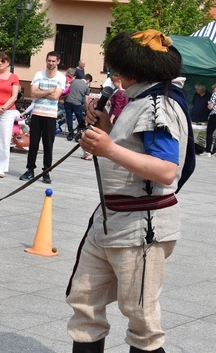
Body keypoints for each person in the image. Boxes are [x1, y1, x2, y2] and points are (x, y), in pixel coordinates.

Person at [68, 29, 194, 353]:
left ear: (135, 68)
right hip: (111, 221)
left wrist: (108, 147)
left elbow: (166, 170)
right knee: (84, 304)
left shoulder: (159, 105)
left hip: (141, 227)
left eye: (119, 67)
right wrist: (108, 130)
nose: (115, 74)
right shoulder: (140, 100)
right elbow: (132, 149)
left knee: (142, 321)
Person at [19, 51, 66, 184]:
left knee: (48, 145)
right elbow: (33, 93)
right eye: (48, 60)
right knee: (33, 143)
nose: (50, 63)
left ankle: (46, 172)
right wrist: (49, 90)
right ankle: (30, 169)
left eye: (53, 61)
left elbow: (56, 96)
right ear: (46, 61)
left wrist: (42, 92)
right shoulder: (38, 74)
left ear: (58, 62)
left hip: (50, 115)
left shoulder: (61, 78)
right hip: (37, 113)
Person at [64, 71, 90, 140]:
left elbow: (67, 87)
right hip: (77, 103)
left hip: (68, 101)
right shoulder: (86, 86)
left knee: (69, 117)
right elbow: (86, 100)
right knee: (80, 118)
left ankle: (70, 132)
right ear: (88, 80)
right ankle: (80, 132)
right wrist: (86, 109)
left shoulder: (74, 81)